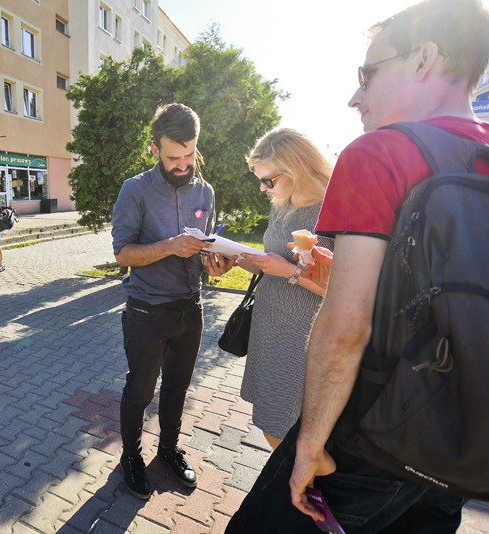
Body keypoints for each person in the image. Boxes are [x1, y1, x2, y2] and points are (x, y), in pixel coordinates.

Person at [226, 0, 489, 531]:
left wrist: (310, 444)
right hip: (460, 442)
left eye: (367, 74)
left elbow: (346, 329)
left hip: (374, 436)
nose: (354, 96)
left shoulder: (379, 154)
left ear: (424, 59)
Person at [111, 103, 236, 500]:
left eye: (189, 154)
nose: (183, 164)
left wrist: (213, 266)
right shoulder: (136, 189)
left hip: (190, 308)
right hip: (147, 311)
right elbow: (123, 254)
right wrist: (170, 246)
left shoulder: (206, 191)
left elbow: (200, 252)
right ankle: (130, 457)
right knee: (140, 391)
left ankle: (167, 450)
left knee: (178, 389)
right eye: (172, 157)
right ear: (154, 149)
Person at [235, 128, 333, 451]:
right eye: (260, 180)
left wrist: (290, 272)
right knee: (269, 423)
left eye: (269, 180)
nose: (263, 188)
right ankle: (290, 491)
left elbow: (341, 291)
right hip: (269, 330)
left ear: (296, 169)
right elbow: (271, 263)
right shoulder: (282, 204)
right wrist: (239, 259)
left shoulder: (332, 212)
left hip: (301, 338)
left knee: (286, 431)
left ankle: (300, 495)